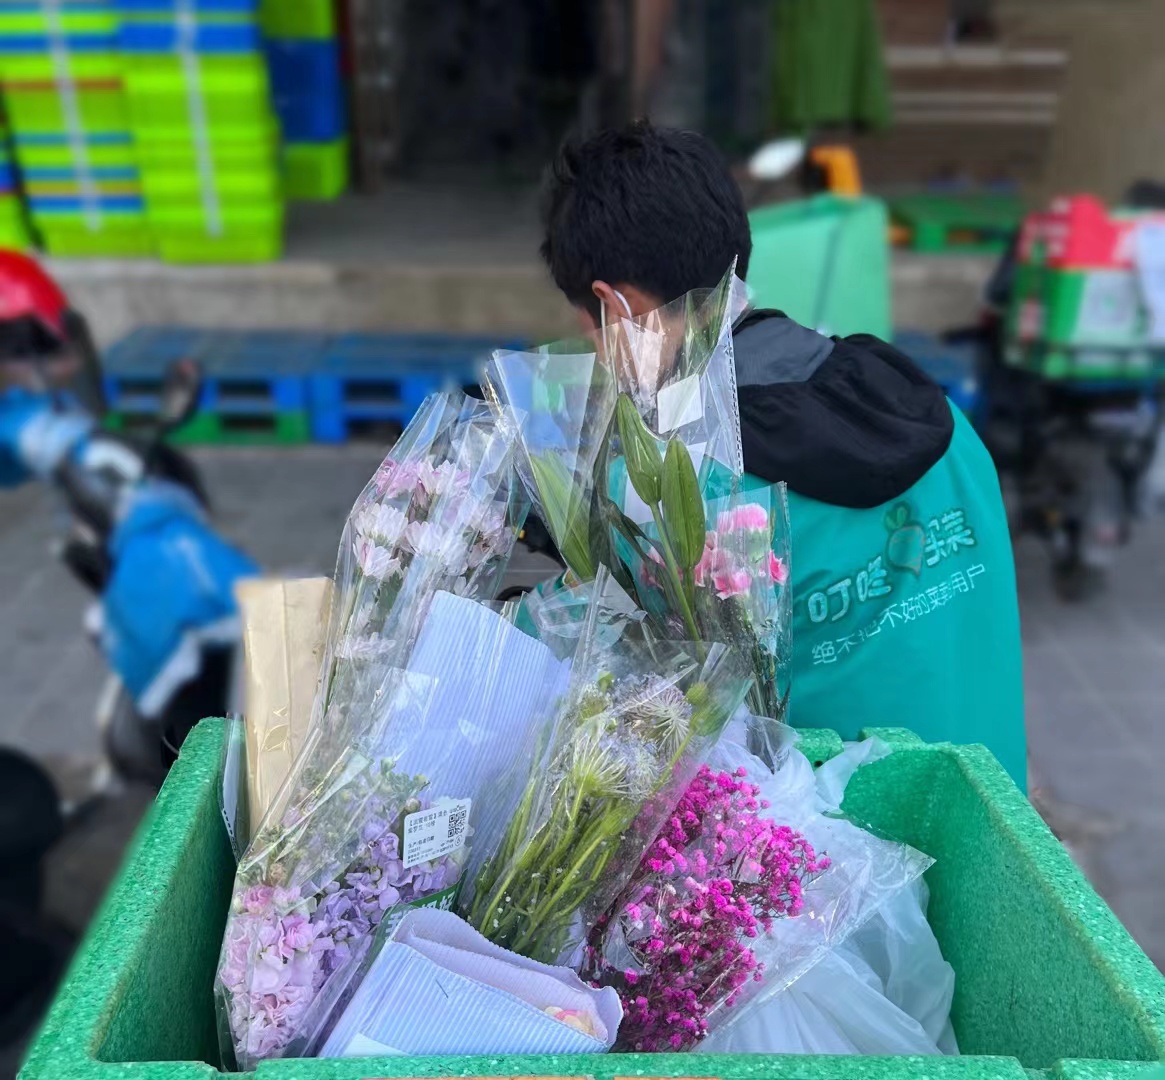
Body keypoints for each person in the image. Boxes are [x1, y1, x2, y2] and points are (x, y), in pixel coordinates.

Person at [538, 122, 1026, 788]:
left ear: (613, 304)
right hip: (993, 822)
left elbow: (627, 686)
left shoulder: (672, 489)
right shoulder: (941, 420)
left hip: (825, 844)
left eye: (592, 333)